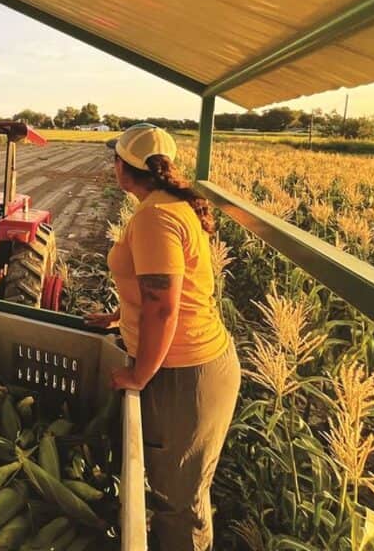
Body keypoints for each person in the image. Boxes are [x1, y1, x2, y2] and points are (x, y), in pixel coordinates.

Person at [85, 123, 240, 551]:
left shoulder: (155, 217)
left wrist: (138, 374)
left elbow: (164, 306)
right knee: (177, 492)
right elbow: (163, 288)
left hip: (185, 373)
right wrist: (119, 317)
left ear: (122, 167)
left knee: (178, 504)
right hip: (184, 364)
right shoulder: (169, 206)